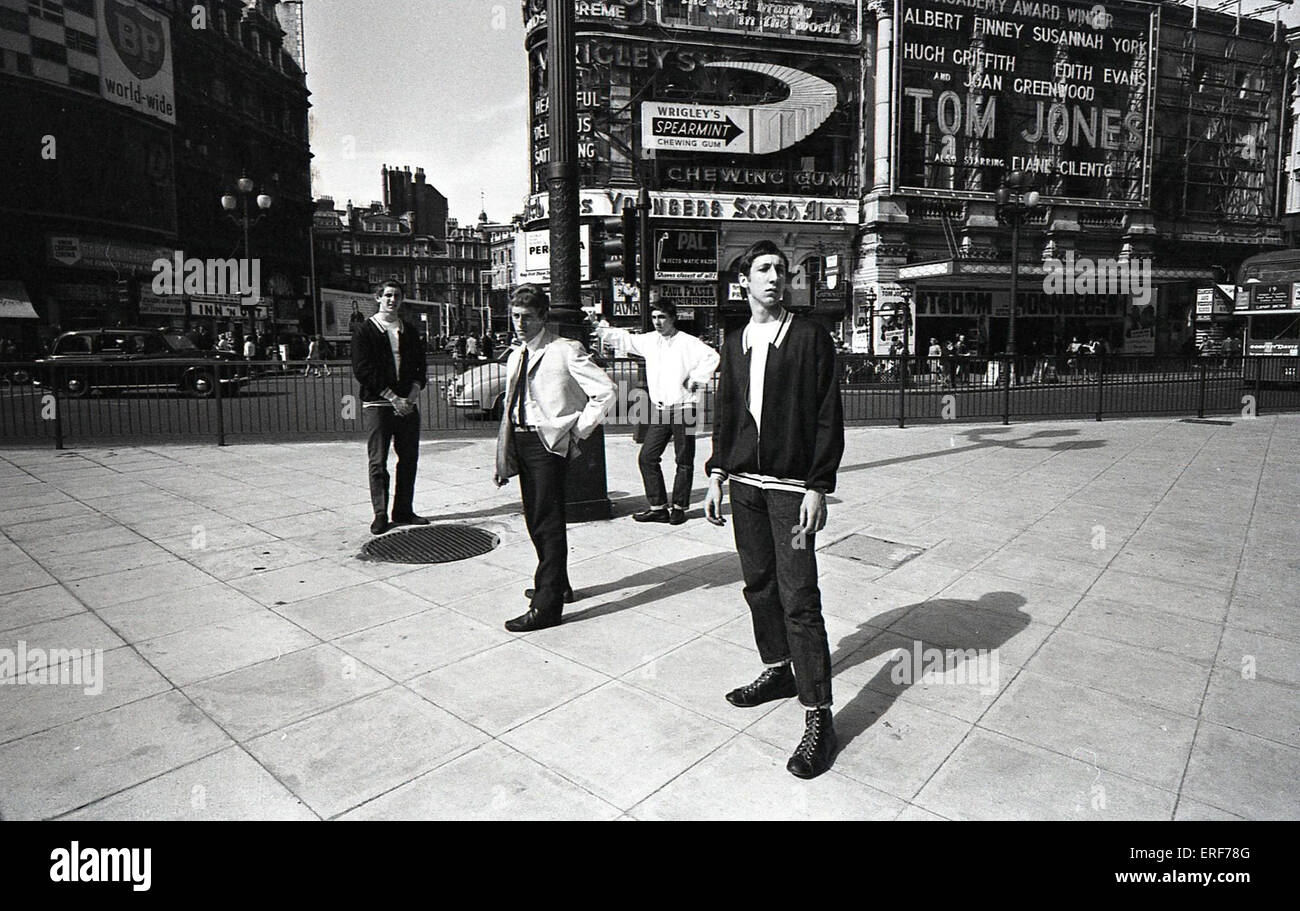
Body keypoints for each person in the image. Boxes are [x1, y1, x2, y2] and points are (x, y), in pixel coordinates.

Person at [704, 240, 845, 780]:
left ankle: (818, 716)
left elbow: (828, 413)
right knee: (758, 585)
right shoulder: (735, 338)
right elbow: (727, 413)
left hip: (790, 490)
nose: (774, 278)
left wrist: (818, 486)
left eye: (780, 270)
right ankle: (779, 669)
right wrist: (717, 471)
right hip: (744, 487)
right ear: (743, 281)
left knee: (799, 596)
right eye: (763, 269)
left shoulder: (809, 337)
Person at [493, 284, 615, 633]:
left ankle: (547, 606)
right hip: (520, 439)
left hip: (547, 444)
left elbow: (606, 391)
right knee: (535, 518)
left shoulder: (565, 350)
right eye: (515, 316)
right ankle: (556, 583)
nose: (520, 323)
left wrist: (578, 430)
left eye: (527, 317)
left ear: (543, 317)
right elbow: (510, 405)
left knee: (547, 522)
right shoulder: (517, 353)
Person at [596, 299, 720, 525]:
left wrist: (697, 378)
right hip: (662, 409)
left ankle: (680, 507)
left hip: (685, 408)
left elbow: (713, 356)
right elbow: (625, 339)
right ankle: (658, 507)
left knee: (683, 460)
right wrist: (601, 328)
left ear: (672, 318)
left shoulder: (688, 342)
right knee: (647, 457)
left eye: (662, 317)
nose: (657, 322)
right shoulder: (650, 341)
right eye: (654, 317)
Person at [352, 281, 430, 535]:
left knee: (408, 459)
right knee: (378, 461)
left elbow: (420, 367)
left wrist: (412, 394)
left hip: (407, 405)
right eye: (387, 295)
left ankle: (404, 510)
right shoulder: (366, 330)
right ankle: (381, 514)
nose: (392, 300)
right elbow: (363, 370)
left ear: (402, 299)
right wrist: (393, 398)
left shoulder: (409, 330)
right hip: (379, 404)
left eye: (396, 296)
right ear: (378, 298)